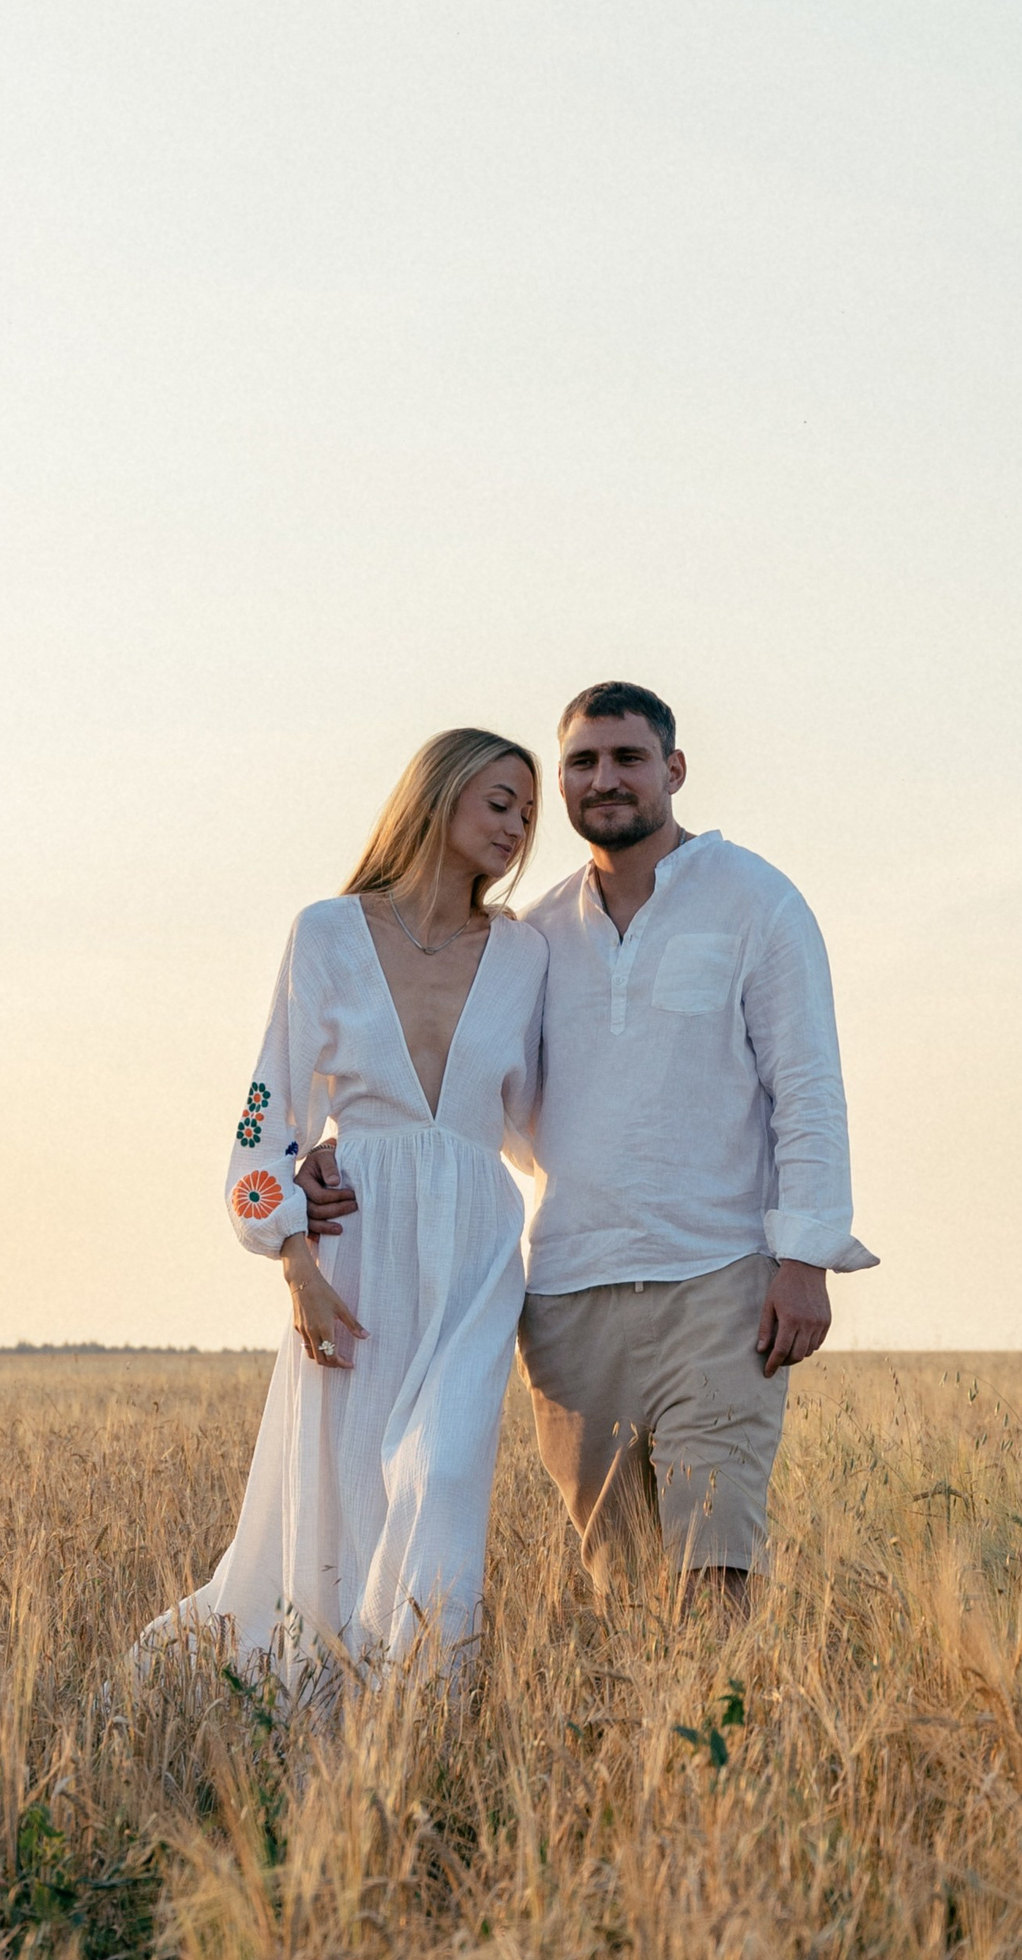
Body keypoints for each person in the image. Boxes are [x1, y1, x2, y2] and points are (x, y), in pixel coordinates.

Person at [302, 681, 873, 1609]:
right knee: (623, 1579)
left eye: (627, 759)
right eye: (581, 764)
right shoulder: (531, 940)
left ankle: (721, 1748)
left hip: (722, 1280)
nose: (604, 780)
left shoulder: (757, 902)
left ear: (673, 770)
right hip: (565, 1295)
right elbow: (478, 1091)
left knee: (715, 1559)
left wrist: (806, 1254)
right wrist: (348, 1139)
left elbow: (808, 1084)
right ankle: (647, 1748)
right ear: (563, 787)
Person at [138, 728, 547, 1682]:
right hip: (357, 1245)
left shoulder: (527, 953)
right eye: (500, 803)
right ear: (438, 798)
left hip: (480, 1246)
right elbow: (268, 1108)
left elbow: (545, 1116)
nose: (520, 827)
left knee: (442, 1474)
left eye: (529, 813)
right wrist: (293, 1261)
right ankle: (329, 1703)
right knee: (350, 1491)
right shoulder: (327, 932)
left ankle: (419, 1712)